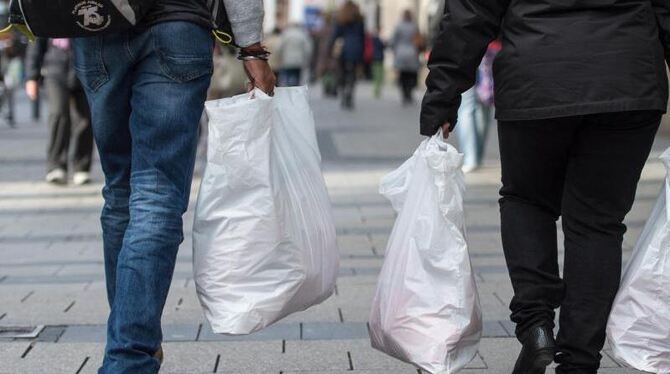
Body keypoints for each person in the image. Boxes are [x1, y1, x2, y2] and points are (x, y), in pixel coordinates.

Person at [421, 1, 670, 373]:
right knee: (597, 223)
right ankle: (580, 360)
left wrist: (443, 93)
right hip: (625, 76)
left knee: (526, 200)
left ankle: (536, 325)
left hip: (536, 76)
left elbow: (470, 11)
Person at [72, 1, 275, 372]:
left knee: (120, 191)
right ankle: (129, 353)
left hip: (97, 21)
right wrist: (251, 47)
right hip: (177, 23)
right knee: (156, 194)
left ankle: (130, 341)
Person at [25, 38, 93, 185]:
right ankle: (56, 166)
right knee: (58, 114)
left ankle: (81, 167)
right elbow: (36, 42)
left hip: (86, 71)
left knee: (84, 119)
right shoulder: (47, 14)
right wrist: (32, 76)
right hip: (55, 71)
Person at [454, 40, 500, 173]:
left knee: (466, 106)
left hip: (467, 47)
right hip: (493, 47)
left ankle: (471, 157)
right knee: (483, 105)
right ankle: (477, 157)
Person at [331, 1, 365, 110]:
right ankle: (350, 95)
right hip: (357, 49)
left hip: (345, 49)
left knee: (343, 73)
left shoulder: (341, 19)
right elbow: (363, 36)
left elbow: (335, 35)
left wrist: (330, 48)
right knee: (353, 75)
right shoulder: (360, 19)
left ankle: (344, 95)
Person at [392, 10, 421, 105]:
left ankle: (404, 93)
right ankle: (409, 92)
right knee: (411, 74)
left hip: (401, 51)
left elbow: (393, 41)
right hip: (412, 51)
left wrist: (394, 50)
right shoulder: (414, 26)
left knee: (403, 75)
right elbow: (419, 39)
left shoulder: (399, 26)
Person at [370, 29, 385, 99]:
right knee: (379, 75)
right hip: (379, 58)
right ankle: (377, 90)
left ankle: (376, 90)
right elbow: (383, 46)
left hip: (373, 58)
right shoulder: (378, 40)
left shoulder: (372, 40)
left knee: (376, 75)